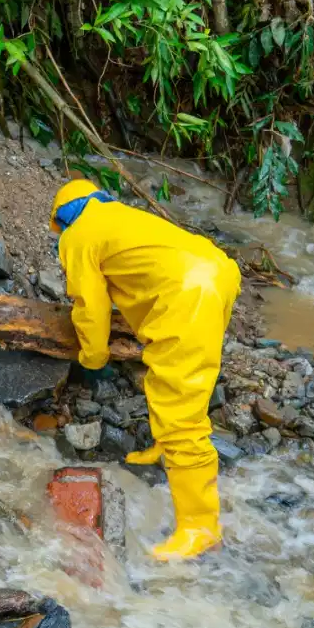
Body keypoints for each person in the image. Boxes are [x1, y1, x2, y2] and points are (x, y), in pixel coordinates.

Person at [50, 179, 240, 561]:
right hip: (219, 271)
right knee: (173, 377)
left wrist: (93, 359)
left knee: (181, 411)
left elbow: (90, 308)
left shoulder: (78, 235)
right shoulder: (120, 216)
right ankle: (163, 448)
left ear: (62, 218)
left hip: (189, 292)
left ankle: (200, 528)